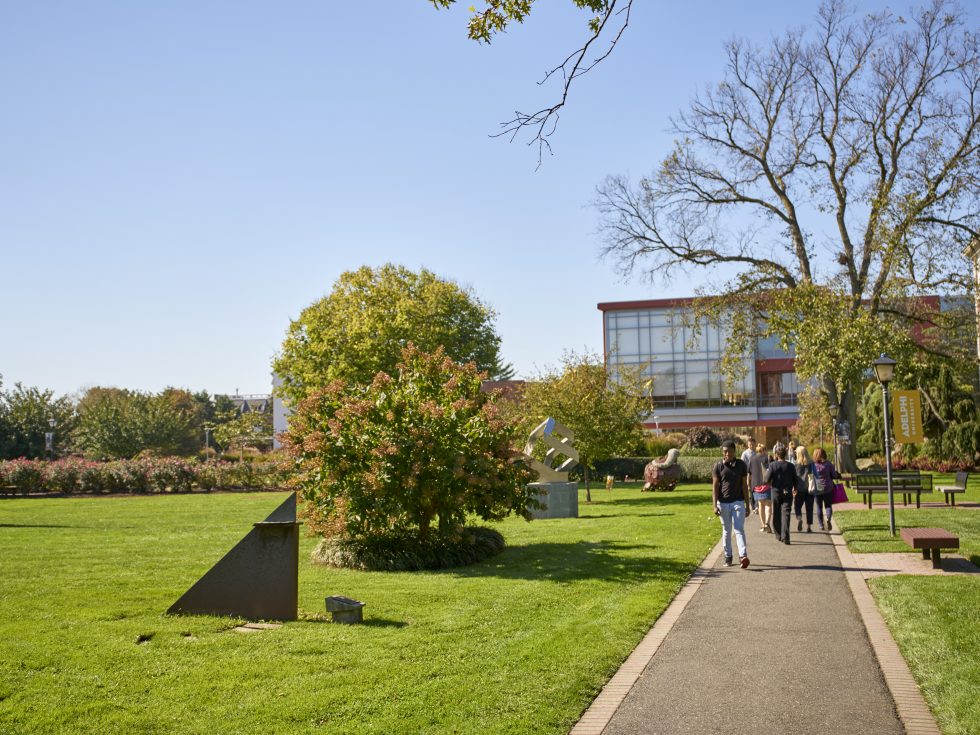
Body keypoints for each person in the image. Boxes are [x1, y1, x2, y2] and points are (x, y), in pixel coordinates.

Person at [712, 440, 751, 568]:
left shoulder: (741, 465)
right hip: (723, 503)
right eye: (724, 451)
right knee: (727, 531)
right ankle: (728, 557)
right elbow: (715, 486)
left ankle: (743, 556)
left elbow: (744, 485)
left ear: (734, 451)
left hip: (738, 502)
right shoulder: (718, 466)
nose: (726, 454)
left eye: (729, 451)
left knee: (739, 529)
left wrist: (747, 504)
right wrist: (714, 505)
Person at [765, 443, 797, 544]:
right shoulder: (791, 466)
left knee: (777, 513)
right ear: (786, 454)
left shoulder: (773, 465)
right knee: (786, 514)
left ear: (776, 455)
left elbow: (766, 479)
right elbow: (795, 479)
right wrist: (795, 488)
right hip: (787, 492)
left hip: (776, 491)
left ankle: (778, 534)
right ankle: (786, 536)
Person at [812, 447, 841, 531]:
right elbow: (835, 475)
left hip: (817, 488)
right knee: (828, 505)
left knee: (819, 507)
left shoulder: (813, 465)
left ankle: (821, 525)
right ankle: (828, 519)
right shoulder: (828, 464)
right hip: (828, 487)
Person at [748, 442, 771, 533]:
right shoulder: (767, 458)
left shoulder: (752, 459)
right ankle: (767, 523)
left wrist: (748, 484)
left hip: (756, 485)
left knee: (761, 505)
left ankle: (762, 524)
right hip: (766, 484)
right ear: (764, 450)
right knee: (768, 505)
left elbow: (749, 473)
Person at [793, 445, 815, 533]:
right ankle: (809, 526)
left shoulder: (795, 465)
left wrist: (793, 488)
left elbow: (794, 477)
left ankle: (799, 518)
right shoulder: (811, 464)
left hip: (799, 489)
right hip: (809, 488)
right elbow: (814, 475)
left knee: (797, 506)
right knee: (809, 508)